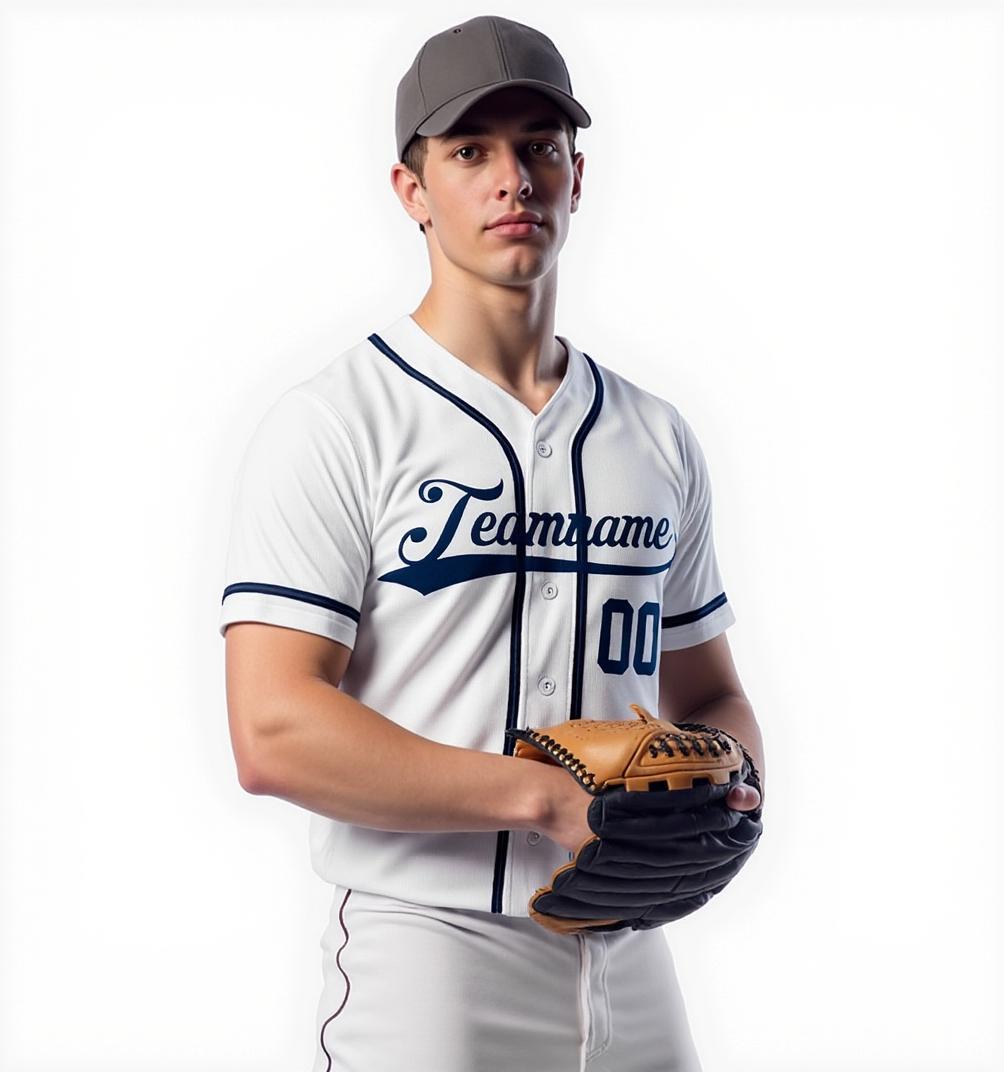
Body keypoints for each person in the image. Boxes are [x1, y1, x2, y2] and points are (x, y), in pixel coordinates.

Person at [218, 14, 765, 1072]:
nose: (510, 176)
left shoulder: (652, 435)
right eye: (469, 150)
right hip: (428, 952)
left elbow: (709, 693)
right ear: (411, 190)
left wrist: (738, 786)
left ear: (575, 172)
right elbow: (272, 727)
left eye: (537, 145)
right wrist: (544, 797)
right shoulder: (338, 421)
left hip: (629, 948)